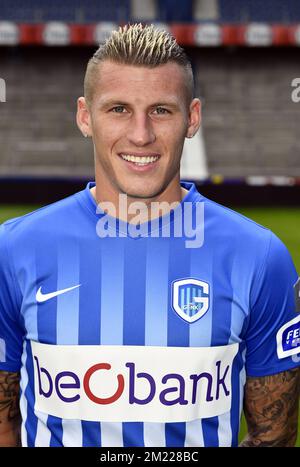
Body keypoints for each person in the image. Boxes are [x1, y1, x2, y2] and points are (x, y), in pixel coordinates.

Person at [0, 23, 299, 448]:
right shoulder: (13, 251)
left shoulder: (259, 256)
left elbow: (275, 434)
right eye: (118, 108)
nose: (141, 134)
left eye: (161, 110)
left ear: (192, 118)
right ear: (85, 116)